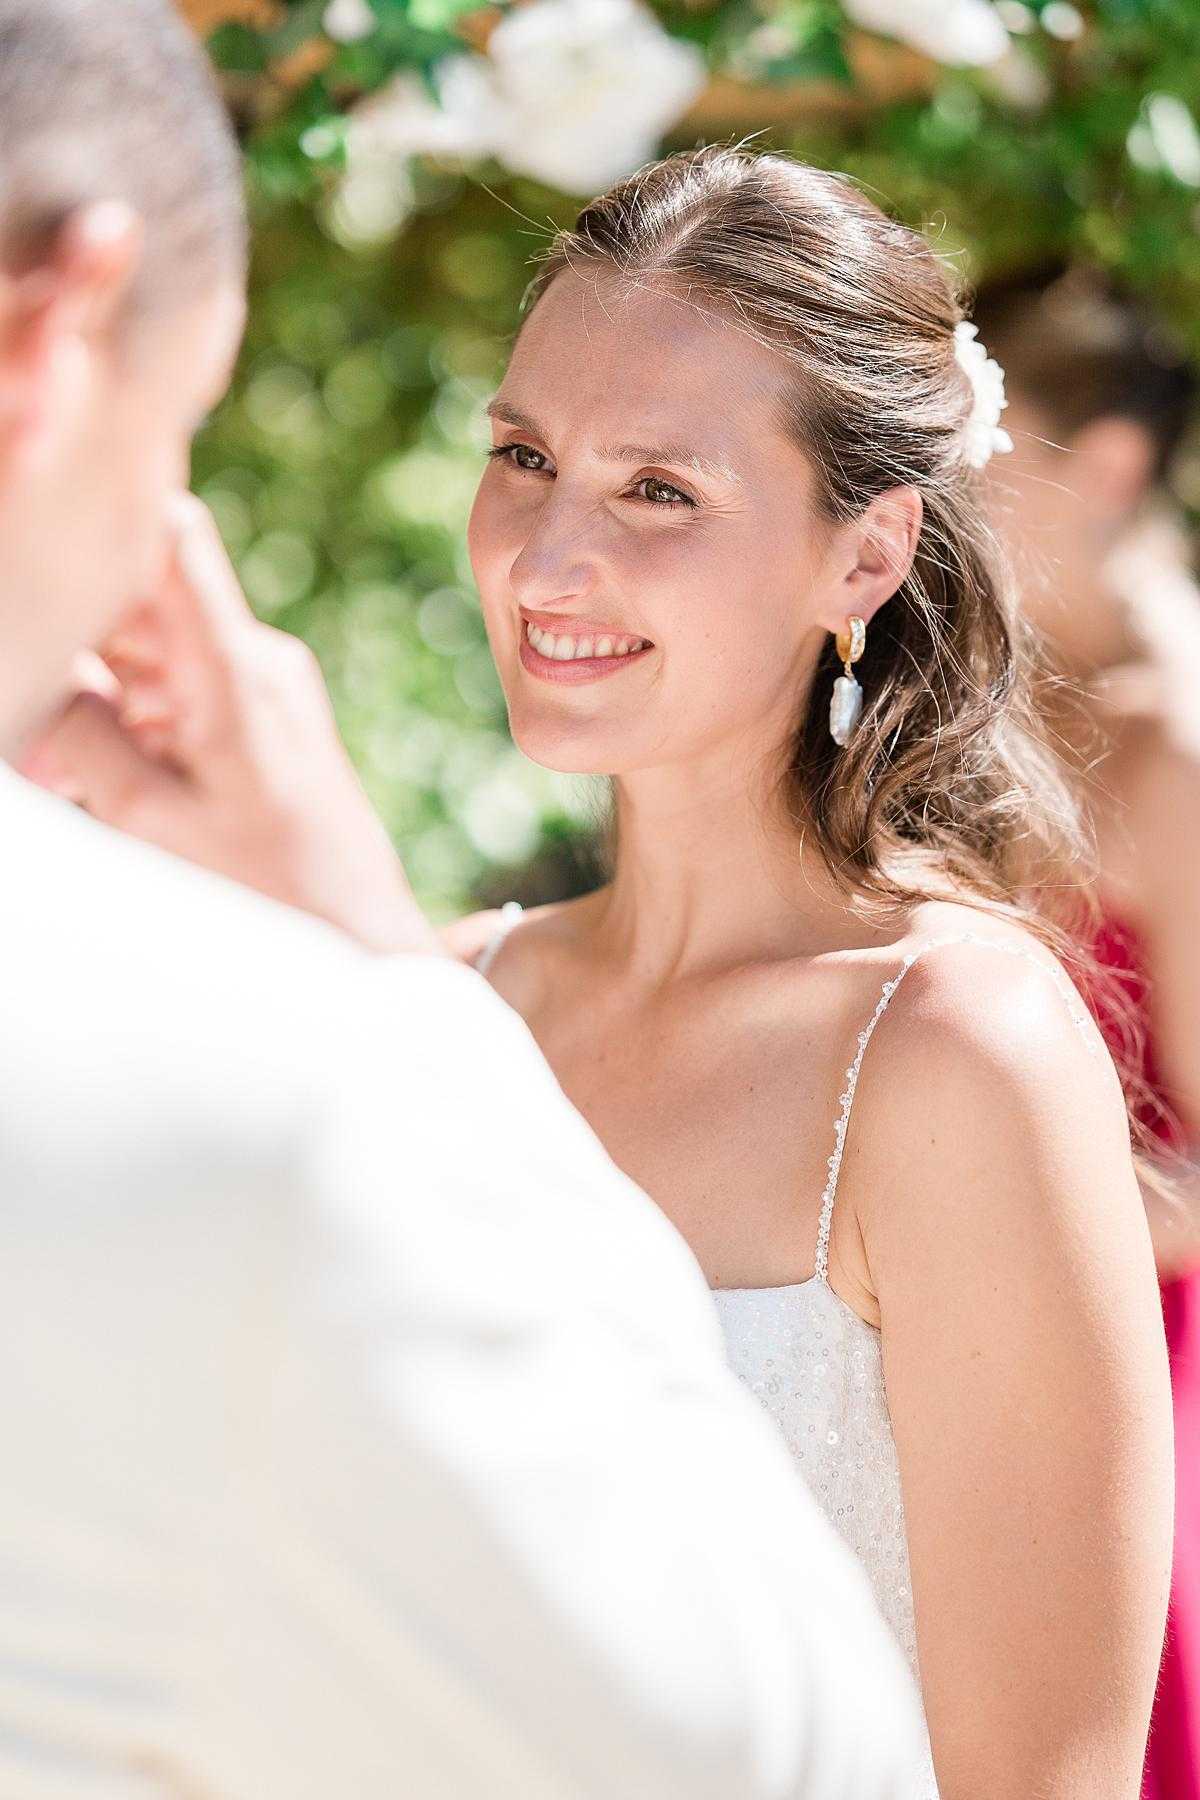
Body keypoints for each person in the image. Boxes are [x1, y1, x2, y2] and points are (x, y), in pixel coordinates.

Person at [39, 144, 1176, 1799]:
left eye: (659, 489)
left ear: (862, 559)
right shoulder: (432, 991)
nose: (545, 557)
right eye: (523, 455)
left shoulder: (954, 1050)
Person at [973, 266, 1200, 1800]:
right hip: (962, 1346)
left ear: (1104, 466)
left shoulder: (1176, 754)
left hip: (1146, 1396)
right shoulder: (963, 702)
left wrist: (976, 1172)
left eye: (976, 443)